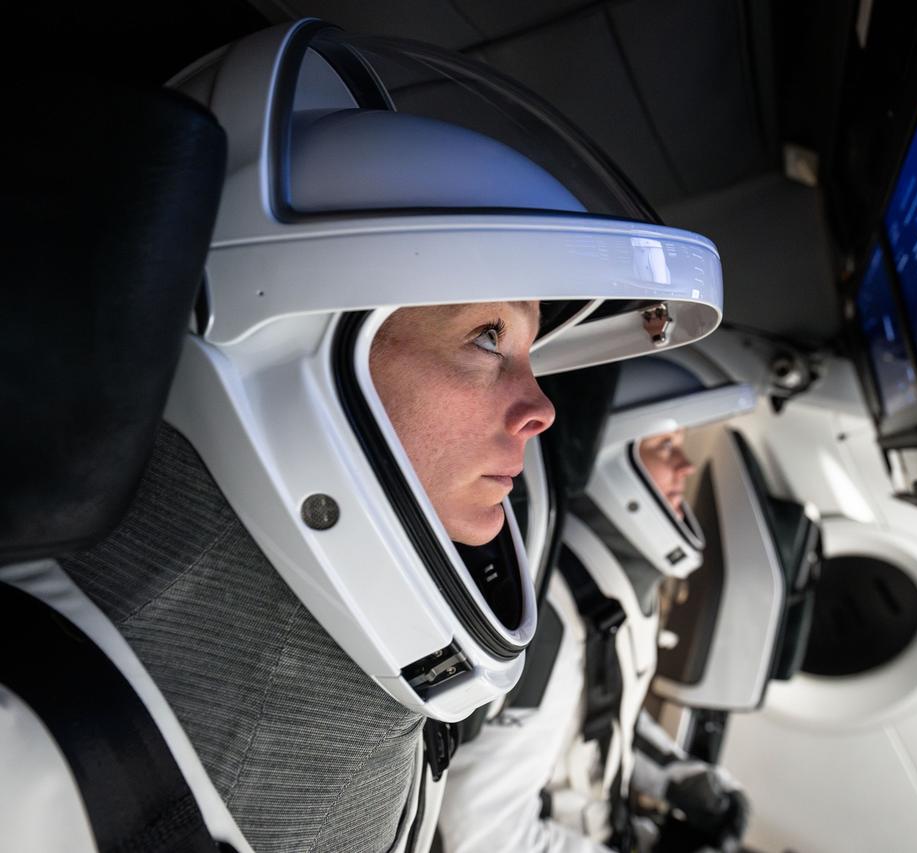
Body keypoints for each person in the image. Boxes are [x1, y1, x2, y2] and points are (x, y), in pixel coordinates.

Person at [2, 21, 726, 853]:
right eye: (486, 337)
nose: (542, 410)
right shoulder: (30, 745)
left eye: (531, 354)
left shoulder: (358, 684)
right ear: (288, 346)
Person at [437, 354, 758, 853]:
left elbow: (601, 712)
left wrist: (680, 778)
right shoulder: (556, 617)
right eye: (665, 446)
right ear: (613, 459)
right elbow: (482, 835)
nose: (687, 466)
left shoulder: (604, 588)